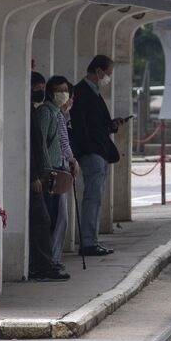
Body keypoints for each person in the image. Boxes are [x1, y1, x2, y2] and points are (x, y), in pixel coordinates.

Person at [70, 55, 125, 258]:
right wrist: (89, 149)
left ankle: (91, 240)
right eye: (108, 74)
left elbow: (96, 124)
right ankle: (89, 243)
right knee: (92, 198)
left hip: (99, 150)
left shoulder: (95, 92)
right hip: (92, 152)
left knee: (96, 198)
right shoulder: (82, 92)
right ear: (98, 71)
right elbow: (81, 127)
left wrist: (111, 125)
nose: (108, 78)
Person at [27, 73, 67, 281]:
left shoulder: (37, 111)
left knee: (51, 217)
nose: (39, 91)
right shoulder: (42, 112)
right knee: (43, 219)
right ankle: (41, 265)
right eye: (37, 87)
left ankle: (46, 262)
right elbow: (37, 146)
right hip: (42, 172)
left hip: (46, 170)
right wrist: (40, 172)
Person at [46, 76, 78, 261]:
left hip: (61, 168)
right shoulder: (51, 113)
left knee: (61, 217)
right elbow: (61, 143)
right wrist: (72, 159)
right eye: (61, 91)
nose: (64, 95)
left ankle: (54, 258)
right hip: (55, 170)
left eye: (66, 92)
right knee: (58, 217)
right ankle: (53, 259)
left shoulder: (60, 115)